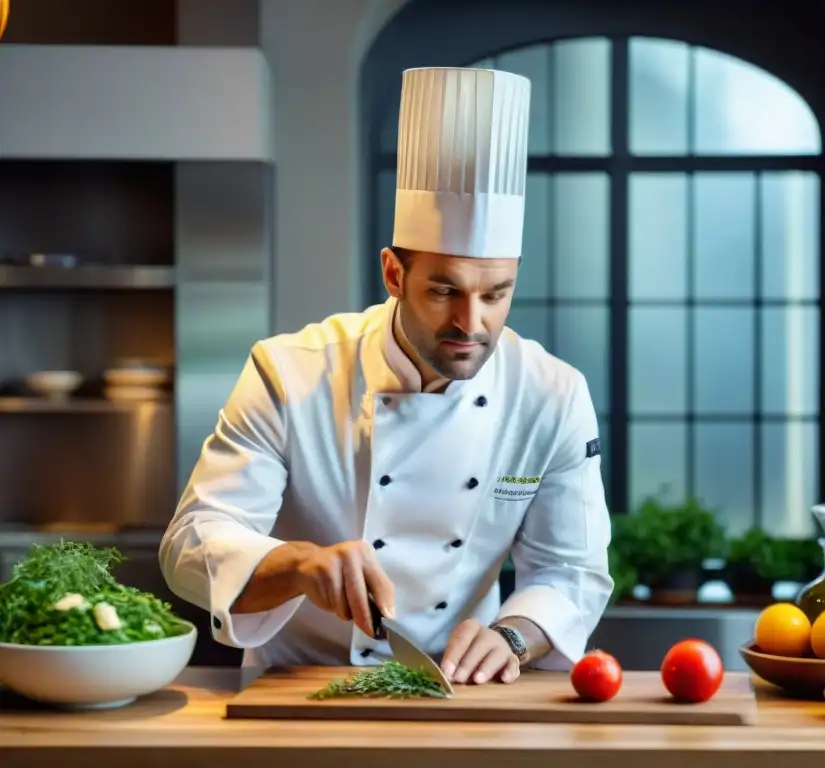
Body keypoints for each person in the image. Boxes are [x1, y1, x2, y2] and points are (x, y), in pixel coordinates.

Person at [159, 66, 613, 685]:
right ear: (394, 275)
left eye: (496, 294)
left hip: (461, 690)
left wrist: (513, 637)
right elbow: (191, 542)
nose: (471, 322)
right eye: (444, 290)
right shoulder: (290, 372)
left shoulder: (552, 395)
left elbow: (571, 572)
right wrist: (296, 564)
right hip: (297, 693)